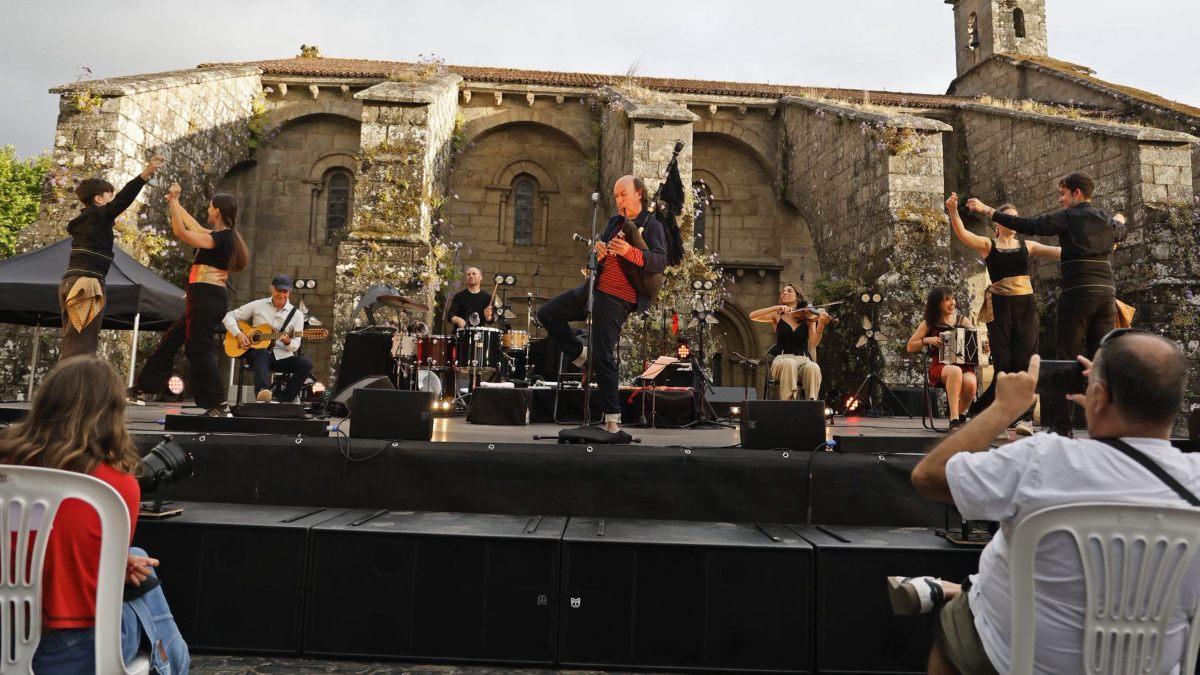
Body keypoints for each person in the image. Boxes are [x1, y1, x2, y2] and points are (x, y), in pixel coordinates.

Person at [893, 332, 1199, 674]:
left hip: (1013, 660)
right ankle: (958, 588)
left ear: (1098, 395)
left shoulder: (1042, 460)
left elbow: (928, 476)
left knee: (955, 623)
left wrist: (1003, 408)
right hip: (1151, 667)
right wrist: (1103, 413)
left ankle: (959, 591)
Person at [0, 356, 189, 674]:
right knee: (143, 582)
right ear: (113, 415)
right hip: (73, 652)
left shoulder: (7, 468)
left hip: (7, 632)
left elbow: (29, 537)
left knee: (134, 557)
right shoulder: (115, 486)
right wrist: (115, 562)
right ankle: (176, 664)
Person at [967, 173, 1126, 436]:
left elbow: (1029, 224)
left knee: (1069, 360)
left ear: (1076, 193)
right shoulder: (1106, 221)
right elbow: (1121, 230)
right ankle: (1107, 425)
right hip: (1106, 295)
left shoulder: (1069, 217)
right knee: (1101, 360)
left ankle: (1064, 428)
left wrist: (988, 210)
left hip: (1078, 295)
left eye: (1062, 194)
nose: (1060, 200)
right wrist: (1120, 219)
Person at [537, 175, 669, 435]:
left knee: (605, 354)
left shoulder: (653, 225)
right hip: (594, 289)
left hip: (618, 297)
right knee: (547, 314)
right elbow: (598, 258)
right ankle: (583, 357)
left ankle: (612, 419)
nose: (619, 199)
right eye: (616, 195)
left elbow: (659, 262)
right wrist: (597, 253)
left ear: (639, 194)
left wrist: (628, 252)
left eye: (623, 194)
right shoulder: (613, 222)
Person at [129, 184, 249, 417]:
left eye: (210, 207)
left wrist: (173, 202)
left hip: (207, 299)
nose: (207, 210)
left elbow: (182, 233)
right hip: (202, 297)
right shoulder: (221, 236)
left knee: (198, 349)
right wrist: (176, 202)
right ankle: (144, 388)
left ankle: (218, 404)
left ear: (217, 211)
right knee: (171, 339)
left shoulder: (222, 238)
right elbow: (193, 226)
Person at [946, 193, 1060, 435]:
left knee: (1026, 364)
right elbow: (964, 235)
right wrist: (953, 211)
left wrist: (1098, 246)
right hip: (1000, 309)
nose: (1013, 223)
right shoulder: (989, 246)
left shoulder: (1027, 246)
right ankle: (980, 411)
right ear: (997, 224)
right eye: (1008, 219)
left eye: (1015, 220)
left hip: (1026, 309)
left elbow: (1060, 251)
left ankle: (1025, 418)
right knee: (1004, 368)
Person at [59, 157, 165, 359]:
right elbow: (123, 200)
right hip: (87, 285)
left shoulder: (85, 221)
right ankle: (72, 389)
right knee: (82, 347)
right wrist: (145, 174)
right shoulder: (98, 216)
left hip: (70, 281)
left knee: (73, 342)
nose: (112, 199)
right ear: (98, 199)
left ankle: (67, 386)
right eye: (109, 195)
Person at [222, 274, 312, 403]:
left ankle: (286, 400)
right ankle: (262, 392)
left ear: (290, 292)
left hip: (282, 357)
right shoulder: (258, 305)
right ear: (272, 289)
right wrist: (239, 334)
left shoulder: (297, 315)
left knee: (306, 364)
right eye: (279, 291)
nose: (282, 295)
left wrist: (287, 342)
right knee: (262, 351)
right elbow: (228, 316)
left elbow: (295, 345)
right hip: (258, 356)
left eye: (285, 292)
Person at [907, 287, 978, 427]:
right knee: (954, 371)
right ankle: (954, 418)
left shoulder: (963, 321)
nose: (952, 302)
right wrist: (926, 340)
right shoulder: (928, 323)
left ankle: (960, 413)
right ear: (937, 303)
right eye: (947, 300)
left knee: (970, 381)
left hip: (964, 366)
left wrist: (984, 347)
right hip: (940, 367)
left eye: (953, 299)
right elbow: (910, 347)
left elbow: (977, 342)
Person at [748, 283, 830, 400]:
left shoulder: (808, 315)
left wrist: (821, 324)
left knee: (813, 367)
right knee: (789, 363)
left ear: (798, 296)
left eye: (789, 291)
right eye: (783, 291)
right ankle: (788, 403)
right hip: (782, 360)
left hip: (803, 360)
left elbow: (813, 343)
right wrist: (776, 307)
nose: (784, 293)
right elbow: (752, 316)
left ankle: (811, 404)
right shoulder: (778, 314)